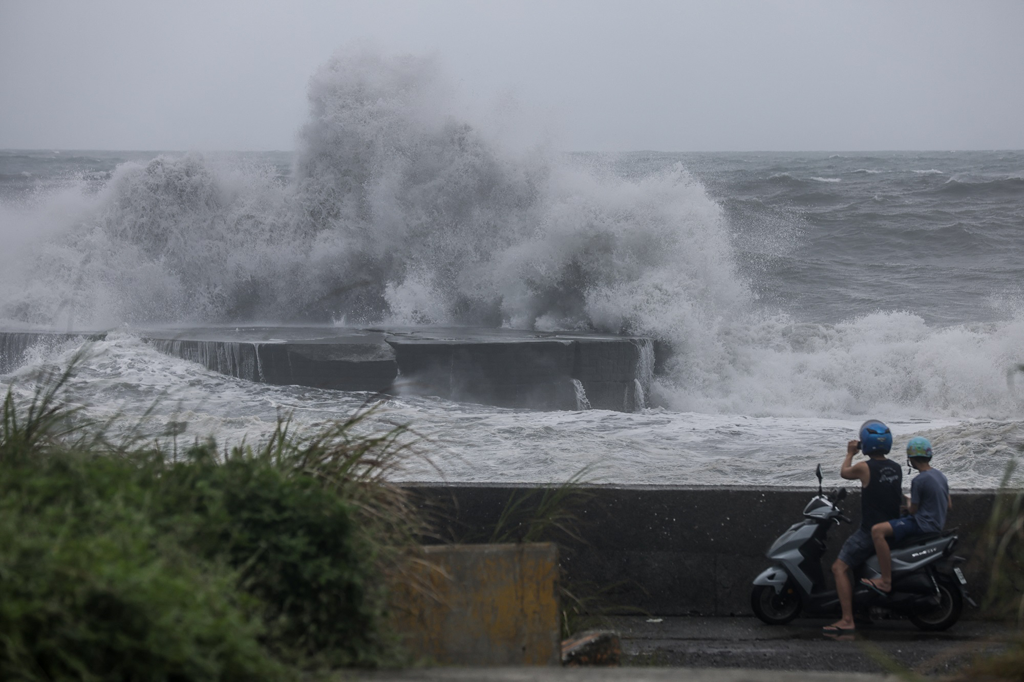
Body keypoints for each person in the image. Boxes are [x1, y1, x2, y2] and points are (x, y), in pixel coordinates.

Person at [824, 420, 902, 636]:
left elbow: (844, 473)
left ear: (865, 444)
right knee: (860, 568)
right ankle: (862, 611)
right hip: (892, 527)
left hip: (870, 531)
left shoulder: (864, 467)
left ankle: (847, 619)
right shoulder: (895, 467)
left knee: (838, 568)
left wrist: (850, 452)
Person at [861, 436, 951, 595]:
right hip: (937, 524)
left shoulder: (919, 480)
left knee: (877, 531)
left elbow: (914, 511)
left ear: (911, 459)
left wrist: (908, 506)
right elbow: (948, 504)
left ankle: (885, 581)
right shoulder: (941, 476)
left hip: (922, 525)